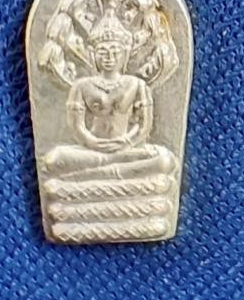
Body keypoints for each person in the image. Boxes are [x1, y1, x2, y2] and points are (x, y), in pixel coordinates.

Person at [42, 15, 176, 180]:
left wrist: (126, 142)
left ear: (125, 54)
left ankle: (91, 175)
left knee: (165, 161)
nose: (109, 57)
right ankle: (114, 172)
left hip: (127, 149)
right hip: (92, 150)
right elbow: (77, 126)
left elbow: (144, 126)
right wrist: (92, 142)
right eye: (102, 52)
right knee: (53, 159)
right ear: (93, 54)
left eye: (115, 52)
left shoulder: (136, 84)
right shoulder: (81, 86)